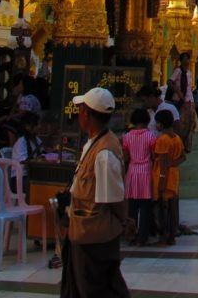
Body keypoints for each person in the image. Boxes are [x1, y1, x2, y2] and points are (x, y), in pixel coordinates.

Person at [61, 87, 129, 298]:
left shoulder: (105, 152)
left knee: (96, 288)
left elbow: (113, 198)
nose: (78, 114)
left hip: (95, 236)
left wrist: (124, 221)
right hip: (82, 230)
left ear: (87, 115)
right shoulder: (95, 142)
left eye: (81, 109)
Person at [122, 108, 157, 246]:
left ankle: (131, 234)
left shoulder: (127, 136)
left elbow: (125, 157)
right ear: (147, 121)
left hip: (132, 171)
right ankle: (143, 236)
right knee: (145, 207)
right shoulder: (151, 136)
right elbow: (154, 156)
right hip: (146, 172)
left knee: (132, 207)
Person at [152, 109, 185, 245]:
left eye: (157, 123)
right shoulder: (177, 138)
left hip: (163, 177)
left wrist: (161, 182)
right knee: (171, 208)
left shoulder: (163, 140)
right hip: (174, 175)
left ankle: (163, 237)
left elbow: (163, 164)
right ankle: (172, 235)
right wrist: (173, 163)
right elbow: (183, 157)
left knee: (162, 209)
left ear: (161, 124)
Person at [169, 52, 196, 151]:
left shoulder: (189, 73)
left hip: (189, 100)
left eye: (188, 59)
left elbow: (189, 87)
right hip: (179, 100)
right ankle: (178, 144)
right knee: (180, 123)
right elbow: (170, 82)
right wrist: (178, 92)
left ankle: (187, 144)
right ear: (181, 60)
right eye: (184, 59)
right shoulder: (178, 71)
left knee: (190, 123)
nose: (186, 61)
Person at [10, 112, 42, 190]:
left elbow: (42, 154)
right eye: (36, 125)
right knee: (42, 186)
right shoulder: (21, 142)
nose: (39, 127)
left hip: (31, 176)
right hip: (19, 179)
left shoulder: (36, 140)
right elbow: (25, 163)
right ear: (27, 126)